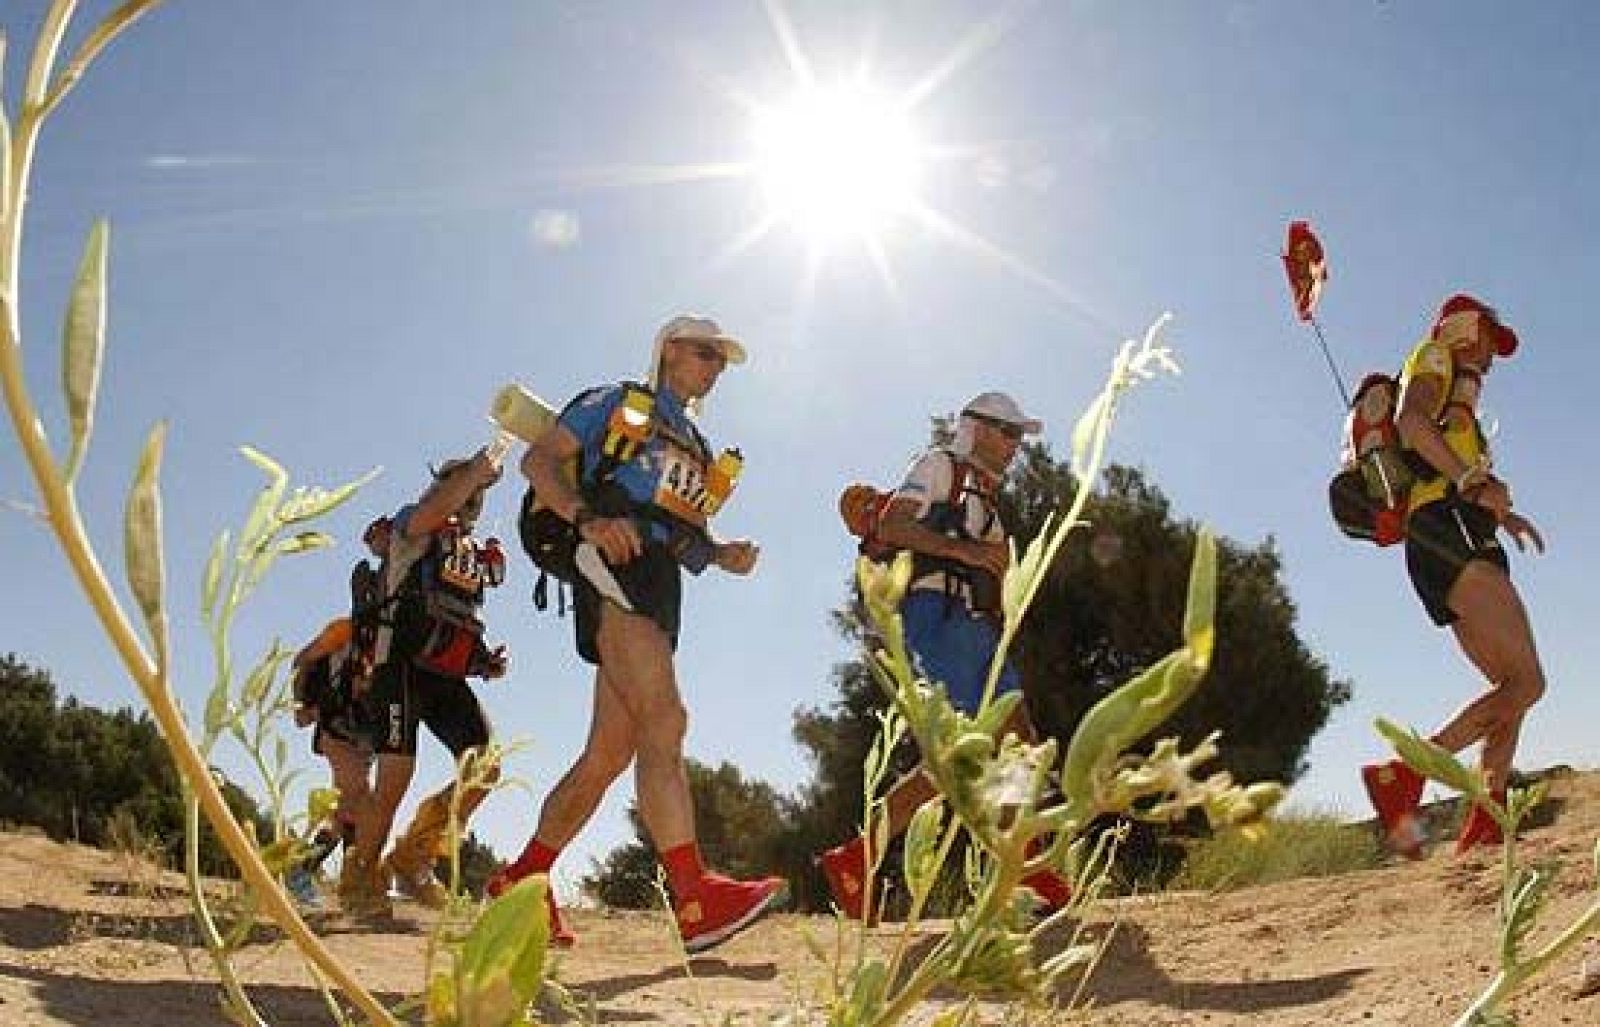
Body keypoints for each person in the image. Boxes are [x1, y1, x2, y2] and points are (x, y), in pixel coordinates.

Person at [489, 314, 785, 953]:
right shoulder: (619, 402)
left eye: (721, 361)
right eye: (707, 354)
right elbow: (540, 461)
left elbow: (682, 533)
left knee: (606, 757)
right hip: (611, 558)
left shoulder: (699, 447)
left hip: (657, 579)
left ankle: (521, 880)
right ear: (672, 351)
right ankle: (695, 897)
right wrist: (585, 518)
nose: (714, 368)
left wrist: (721, 553)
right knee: (666, 720)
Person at [816, 391, 1074, 922]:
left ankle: (856, 859)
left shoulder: (986, 499)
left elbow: (997, 569)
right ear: (975, 428)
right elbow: (892, 526)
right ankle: (1025, 875)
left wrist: (999, 586)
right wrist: (969, 553)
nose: (1015, 446)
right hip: (935, 616)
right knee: (998, 741)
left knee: (993, 744)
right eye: (1008, 432)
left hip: (975, 626)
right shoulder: (939, 466)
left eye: (1020, 437)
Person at [1361, 294, 1547, 857]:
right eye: (1490, 340)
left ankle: (1486, 819)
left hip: (1452, 533)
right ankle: (1406, 774)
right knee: (1528, 682)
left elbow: (1444, 457)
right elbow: (1411, 423)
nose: (1492, 357)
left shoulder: (1463, 406)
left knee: (1511, 688)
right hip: (1449, 530)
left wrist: (1503, 511)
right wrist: (1470, 480)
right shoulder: (1436, 358)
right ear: (1467, 331)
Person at [344, 452, 510, 914]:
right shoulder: (410, 523)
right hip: (397, 666)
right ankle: (361, 875)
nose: (470, 496)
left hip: (447, 677)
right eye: (460, 485)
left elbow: (456, 613)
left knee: (486, 768)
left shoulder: (474, 552)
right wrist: (474, 471)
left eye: (477, 492)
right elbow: (430, 516)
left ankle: (414, 855)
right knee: (396, 775)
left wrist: (483, 662)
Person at [284, 518, 391, 910]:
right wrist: (305, 704)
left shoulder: (387, 641)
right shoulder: (344, 630)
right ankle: (305, 872)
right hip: (337, 726)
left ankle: (323, 876)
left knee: (349, 810)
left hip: (364, 734)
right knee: (357, 803)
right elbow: (302, 659)